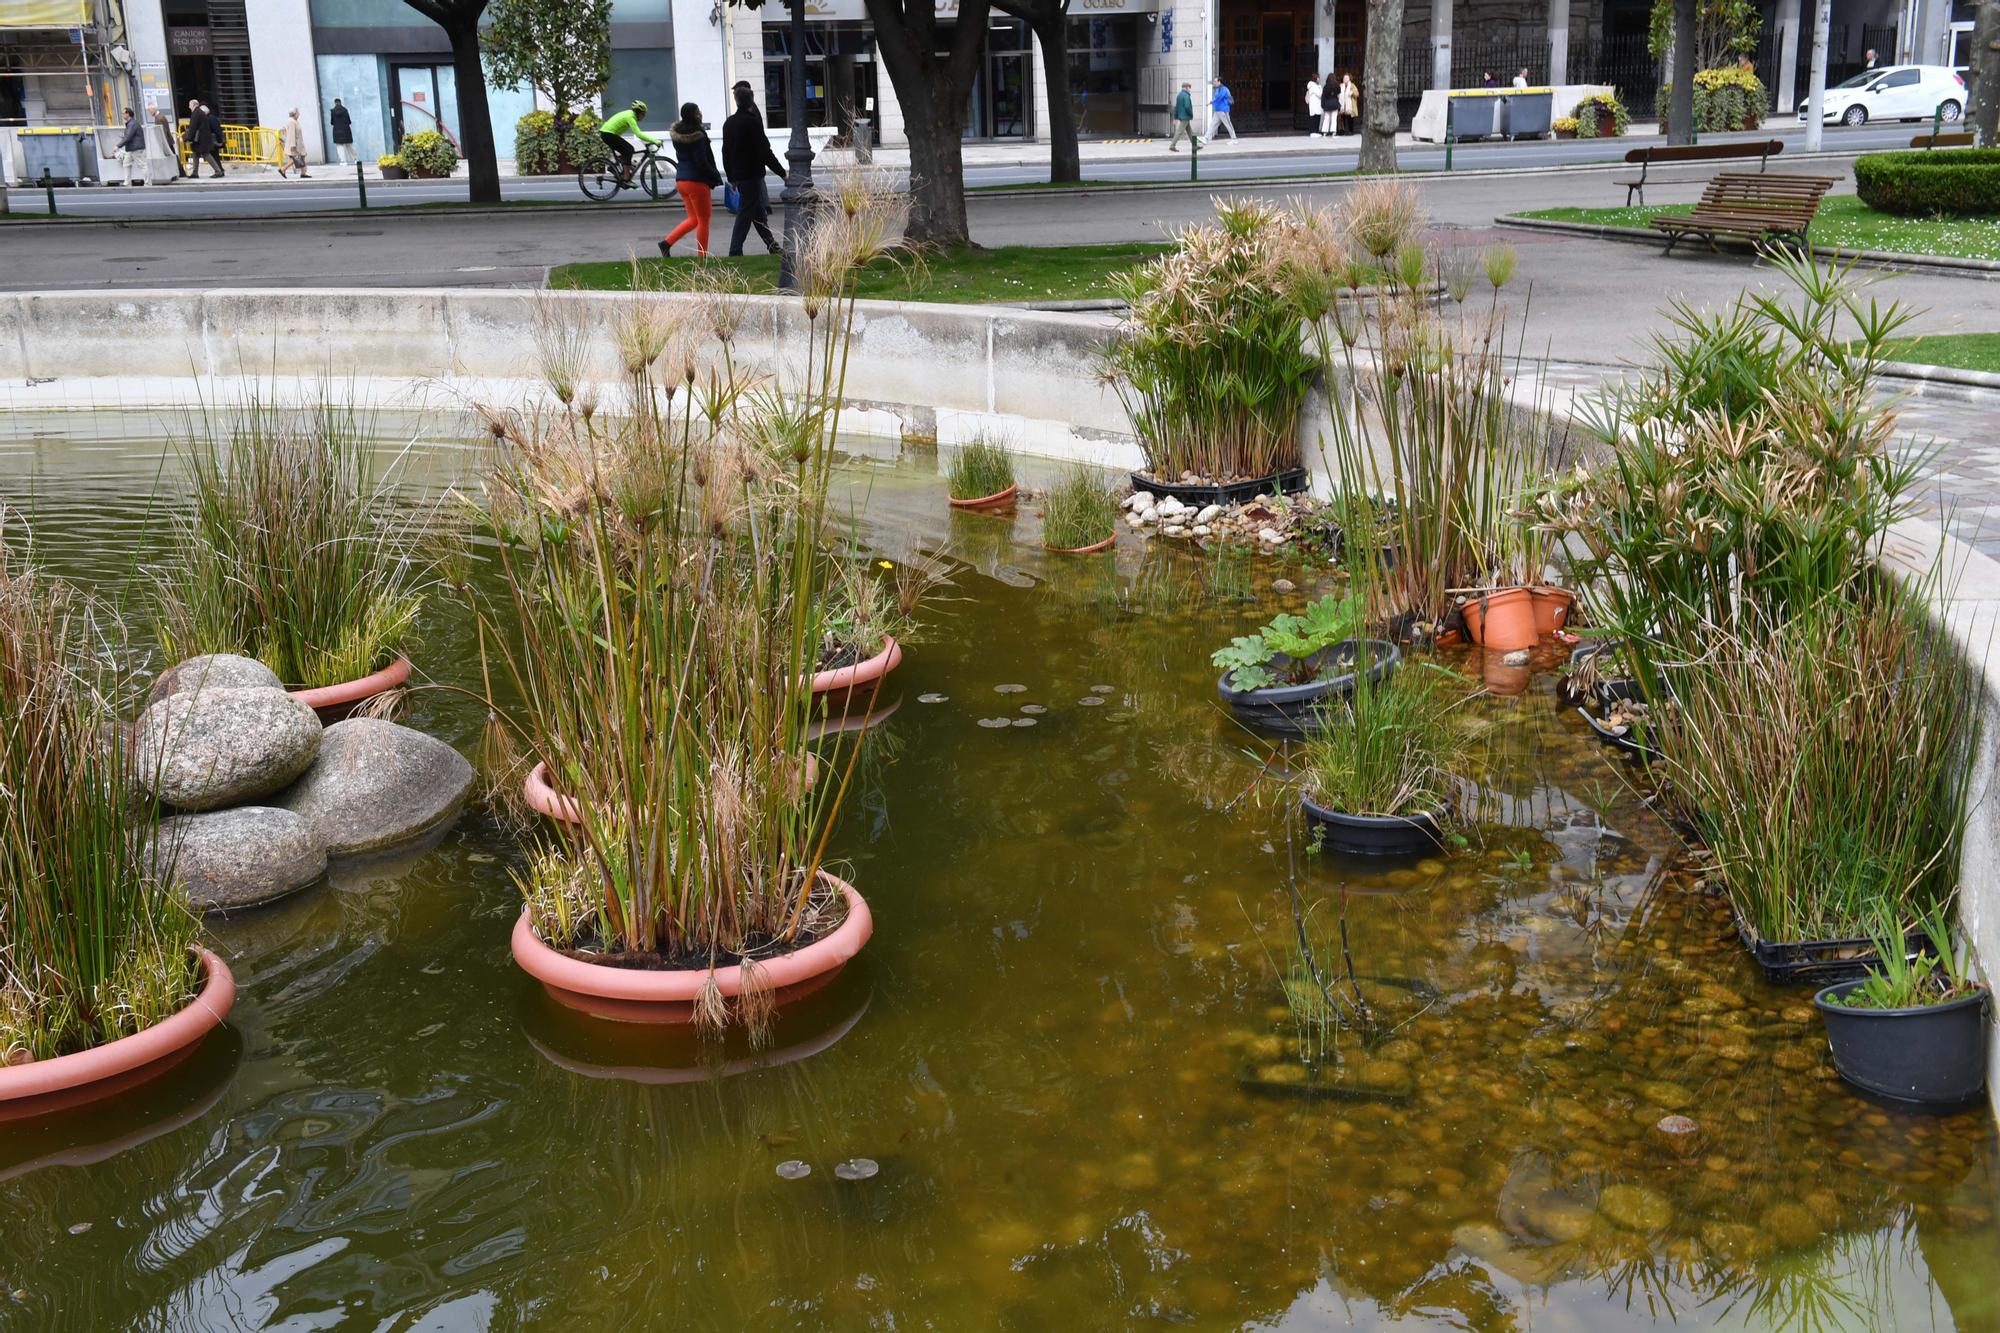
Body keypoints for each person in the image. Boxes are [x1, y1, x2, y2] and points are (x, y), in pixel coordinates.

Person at [722, 80, 785, 257]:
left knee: (758, 213)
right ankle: (735, 250)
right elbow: (765, 152)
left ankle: (772, 244)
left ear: (737, 101)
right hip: (752, 174)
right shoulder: (753, 123)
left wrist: (730, 175)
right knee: (745, 213)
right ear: (751, 101)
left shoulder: (729, 123)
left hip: (739, 175)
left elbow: (725, 151)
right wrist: (781, 173)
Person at [659, 102, 722, 257]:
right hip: (697, 181)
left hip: (681, 180)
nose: (700, 114)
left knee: (694, 219)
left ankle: (666, 243)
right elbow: (701, 160)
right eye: (697, 112)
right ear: (693, 115)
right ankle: (702, 257)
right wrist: (714, 175)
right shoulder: (698, 135)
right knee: (704, 221)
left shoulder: (677, 134)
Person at [598, 100, 659, 186]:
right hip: (608, 134)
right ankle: (626, 179)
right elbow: (639, 134)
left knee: (627, 150)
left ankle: (616, 167)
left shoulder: (630, 114)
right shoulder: (630, 117)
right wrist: (655, 140)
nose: (644, 116)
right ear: (638, 112)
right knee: (629, 149)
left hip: (608, 133)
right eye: (643, 114)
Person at [191, 100, 224, 177]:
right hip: (205, 140)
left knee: (212, 155)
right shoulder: (207, 118)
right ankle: (195, 172)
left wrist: (220, 139)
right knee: (197, 153)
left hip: (209, 140)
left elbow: (216, 130)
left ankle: (219, 170)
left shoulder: (210, 118)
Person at [114, 108, 146, 187]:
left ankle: (148, 183)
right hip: (132, 148)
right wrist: (124, 136)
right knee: (126, 164)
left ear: (128, 114)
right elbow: (130, 136)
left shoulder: (132, 124)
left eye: (123, 113)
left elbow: (128, 137)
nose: (122, 115)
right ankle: (127, 182)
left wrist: (118, 146)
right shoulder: (131, 123)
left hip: (135, 148)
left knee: (142, 165)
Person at [152, 107, 185, 178]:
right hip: (168, 141)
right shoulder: (160, 116)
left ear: (153, 109)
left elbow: (163, 131)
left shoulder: (159, 118)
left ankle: (180, 172)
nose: (149, 112)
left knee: (172, 157)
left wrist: (163, 143)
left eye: (149, 110)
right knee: (173, 156)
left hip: (167, 142)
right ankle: (180, 172)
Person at [278, 108, 309, 178]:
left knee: (301, 157)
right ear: (295, 113)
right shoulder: (291, 122)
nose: (299, 114)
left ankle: (303, 173)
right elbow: (291, 134)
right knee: (296, 158)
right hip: (295, 144)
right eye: (298, 113)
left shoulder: (294, 121)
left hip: (298, 143)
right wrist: (293, 145)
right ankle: (283, 169)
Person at [1168, 82, 1198, 150]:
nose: (1189, 90)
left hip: (1182, 116)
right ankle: (1172, 145)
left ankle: (1195, 145)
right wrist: (1191, 114)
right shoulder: (1186, 96)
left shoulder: (1179, 95)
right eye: (1189, 88)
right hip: (1186, 116)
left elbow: (1177, 107)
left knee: (1190, 132)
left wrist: (1175, 117)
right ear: (1187, 87)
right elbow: (1187, 106)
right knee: (1179, 131)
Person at [1209, 76, 1237, 142]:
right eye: (1214, 81)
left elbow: (1219, 97)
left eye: (1215, 81)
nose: (1214, 83)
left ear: (1219, 82)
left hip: (1223, 110)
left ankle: (1234, 139)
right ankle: (1206, 138)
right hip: (1218, 110)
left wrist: (1211, 102)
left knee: (1228, 125)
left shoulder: (1223, 89)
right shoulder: (1218, 89)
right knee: (1212, 125)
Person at [330, 97, 354, 166]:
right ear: (340, 103)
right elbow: (349, 121)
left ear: (335, 103)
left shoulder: (333, 111)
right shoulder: (345, 110)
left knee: (340, 146)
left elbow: (332, 122)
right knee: (349, 145)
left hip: (337, 130)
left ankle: (343, 161)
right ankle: (354, 159)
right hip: (346, 129)